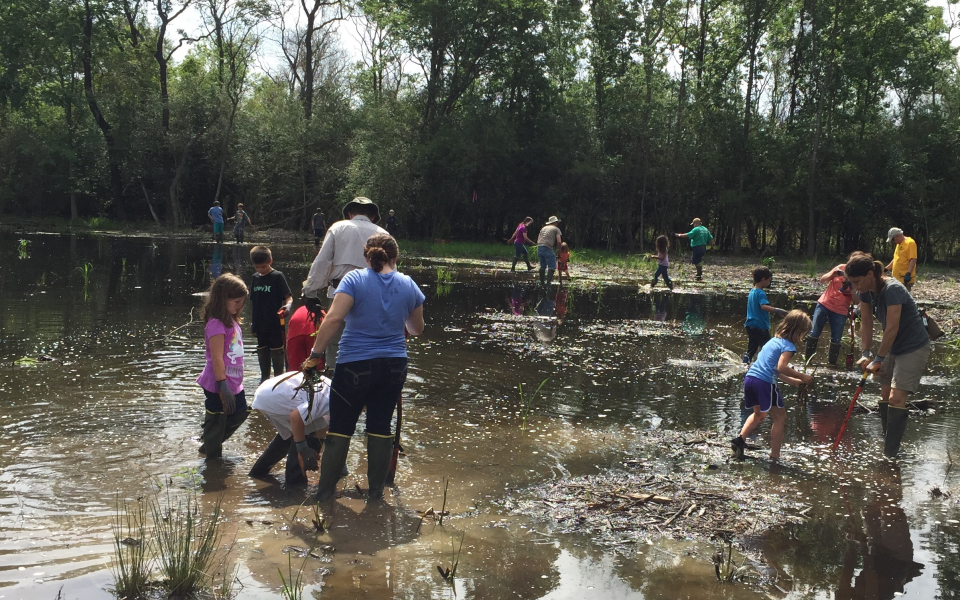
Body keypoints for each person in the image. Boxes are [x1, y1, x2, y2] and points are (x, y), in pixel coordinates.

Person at [302, 233, 425, 501]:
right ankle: (376, 494)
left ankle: (324, 493)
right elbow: (416, 329)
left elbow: (334, 318)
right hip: (394, 365)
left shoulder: (354, 279)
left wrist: (315, 354)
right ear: (395, 257)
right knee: (380, 426)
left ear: (366, 257)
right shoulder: (408, 284)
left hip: (355, 363)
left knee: (341, 427)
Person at [845, 251, 931, 458]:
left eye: (857, 282)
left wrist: (878, 359)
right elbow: (865, 322)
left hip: (913, 347)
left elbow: (892, 328)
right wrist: (866, 353)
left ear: (869, 274)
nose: (856, 288)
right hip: (891, 346)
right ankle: (889, 443)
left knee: (895, 398)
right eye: (852, 283)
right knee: (884, 396)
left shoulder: (893, 289)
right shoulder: (866, 292)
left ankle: (890, 453)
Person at [302, 197, 389, 370]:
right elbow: (389, 271)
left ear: (350, 214)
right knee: (368, 342)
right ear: (372, 216)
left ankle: (335, 379)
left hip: (339, 292)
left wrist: (310, 292)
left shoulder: (338, 227)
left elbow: (322, 261)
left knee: (335, 341)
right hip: (372, 296)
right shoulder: (383, 234)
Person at [731, 310, 814, 461]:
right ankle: (775, 456)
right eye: (803, 333)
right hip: (764, 383)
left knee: (759, 414)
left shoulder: (772, 341)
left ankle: (739, 440)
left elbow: (773, 369)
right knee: (780, 418)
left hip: (750, 379)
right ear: (797, 331)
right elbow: (781, 367)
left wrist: (793, 381)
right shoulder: (788, 346)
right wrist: (802, 376)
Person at [196, 273, 250, 460]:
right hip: (218, 383)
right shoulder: (216, 324)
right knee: (217, 420)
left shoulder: (232, 320)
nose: (239, 306)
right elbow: (217, 358)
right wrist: (222, 385)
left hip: (235, 382)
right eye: (236, 302)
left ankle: (209, 440)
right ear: (222, 299)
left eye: (242, 302)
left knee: (241, 412)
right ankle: (211, 460)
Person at [249, 371, 330, 486]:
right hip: (275, 398)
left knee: (292, 435)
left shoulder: (333, 388)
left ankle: (258, 473)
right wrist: (303, 449)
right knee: (309, 431)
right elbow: (296, 417)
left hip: (267, 393)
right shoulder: (329, 399)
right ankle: (295, 486)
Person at [249, 246, 292, 382]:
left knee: (277, 352)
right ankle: (264, 380)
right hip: (259, 324)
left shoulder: (277, 276)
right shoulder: (255, 278)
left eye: (263, 266)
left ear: (270, 261)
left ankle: (279, 380)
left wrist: (288, 307)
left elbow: (288, 297)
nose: (260, 270)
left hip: (275, 324)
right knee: (262, 351)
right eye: (257, 267)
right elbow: (252, 301)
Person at [804, 264, 855, 365]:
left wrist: (851, 284)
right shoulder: (841, 267)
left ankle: (832, 364)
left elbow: (857, 299)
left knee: (836, 339)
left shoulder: (860, 277)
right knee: (814, 333)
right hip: (824, 304)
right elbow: (823, 280)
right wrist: (833, 274)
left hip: (841, 310)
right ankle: (807, 361)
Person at [743, 266, 788, 364]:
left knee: (752, 348)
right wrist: (779, 310)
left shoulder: (752, 291)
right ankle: (772, 366)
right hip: (760, 327)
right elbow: (763, 306)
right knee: (768, 347)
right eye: (769, 280)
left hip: (750, 325)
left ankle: (745, 362)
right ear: (763, 279)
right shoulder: (760, 293)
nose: (769, 283)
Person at [287, 297, 324, 371]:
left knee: (295, 370)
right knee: (316, 368)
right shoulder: (321, 313)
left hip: (295, 334)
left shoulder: (298, 310)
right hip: (313, 333)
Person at [884, 227, 918, 291]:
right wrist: (885, 269)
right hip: (896, 278)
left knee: (902, 299)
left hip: (904, 278)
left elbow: (913, 259)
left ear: (897, 236)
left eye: (893, 239)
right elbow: (896, 259)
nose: (893, 241)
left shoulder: (910, 243)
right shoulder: (899, 244)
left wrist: (908, 274)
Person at [536, 216, 562, 288]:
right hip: (547, 247)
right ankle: (548, 283)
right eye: (556, 222)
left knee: (542, 266)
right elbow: (559, 242)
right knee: (552, 266)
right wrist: (559, 250)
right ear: (555, 222)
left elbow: (538, 240)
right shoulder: (556, 229)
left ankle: (542, 283)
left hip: (540, 247)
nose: (557, 223)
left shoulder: (543, 228)